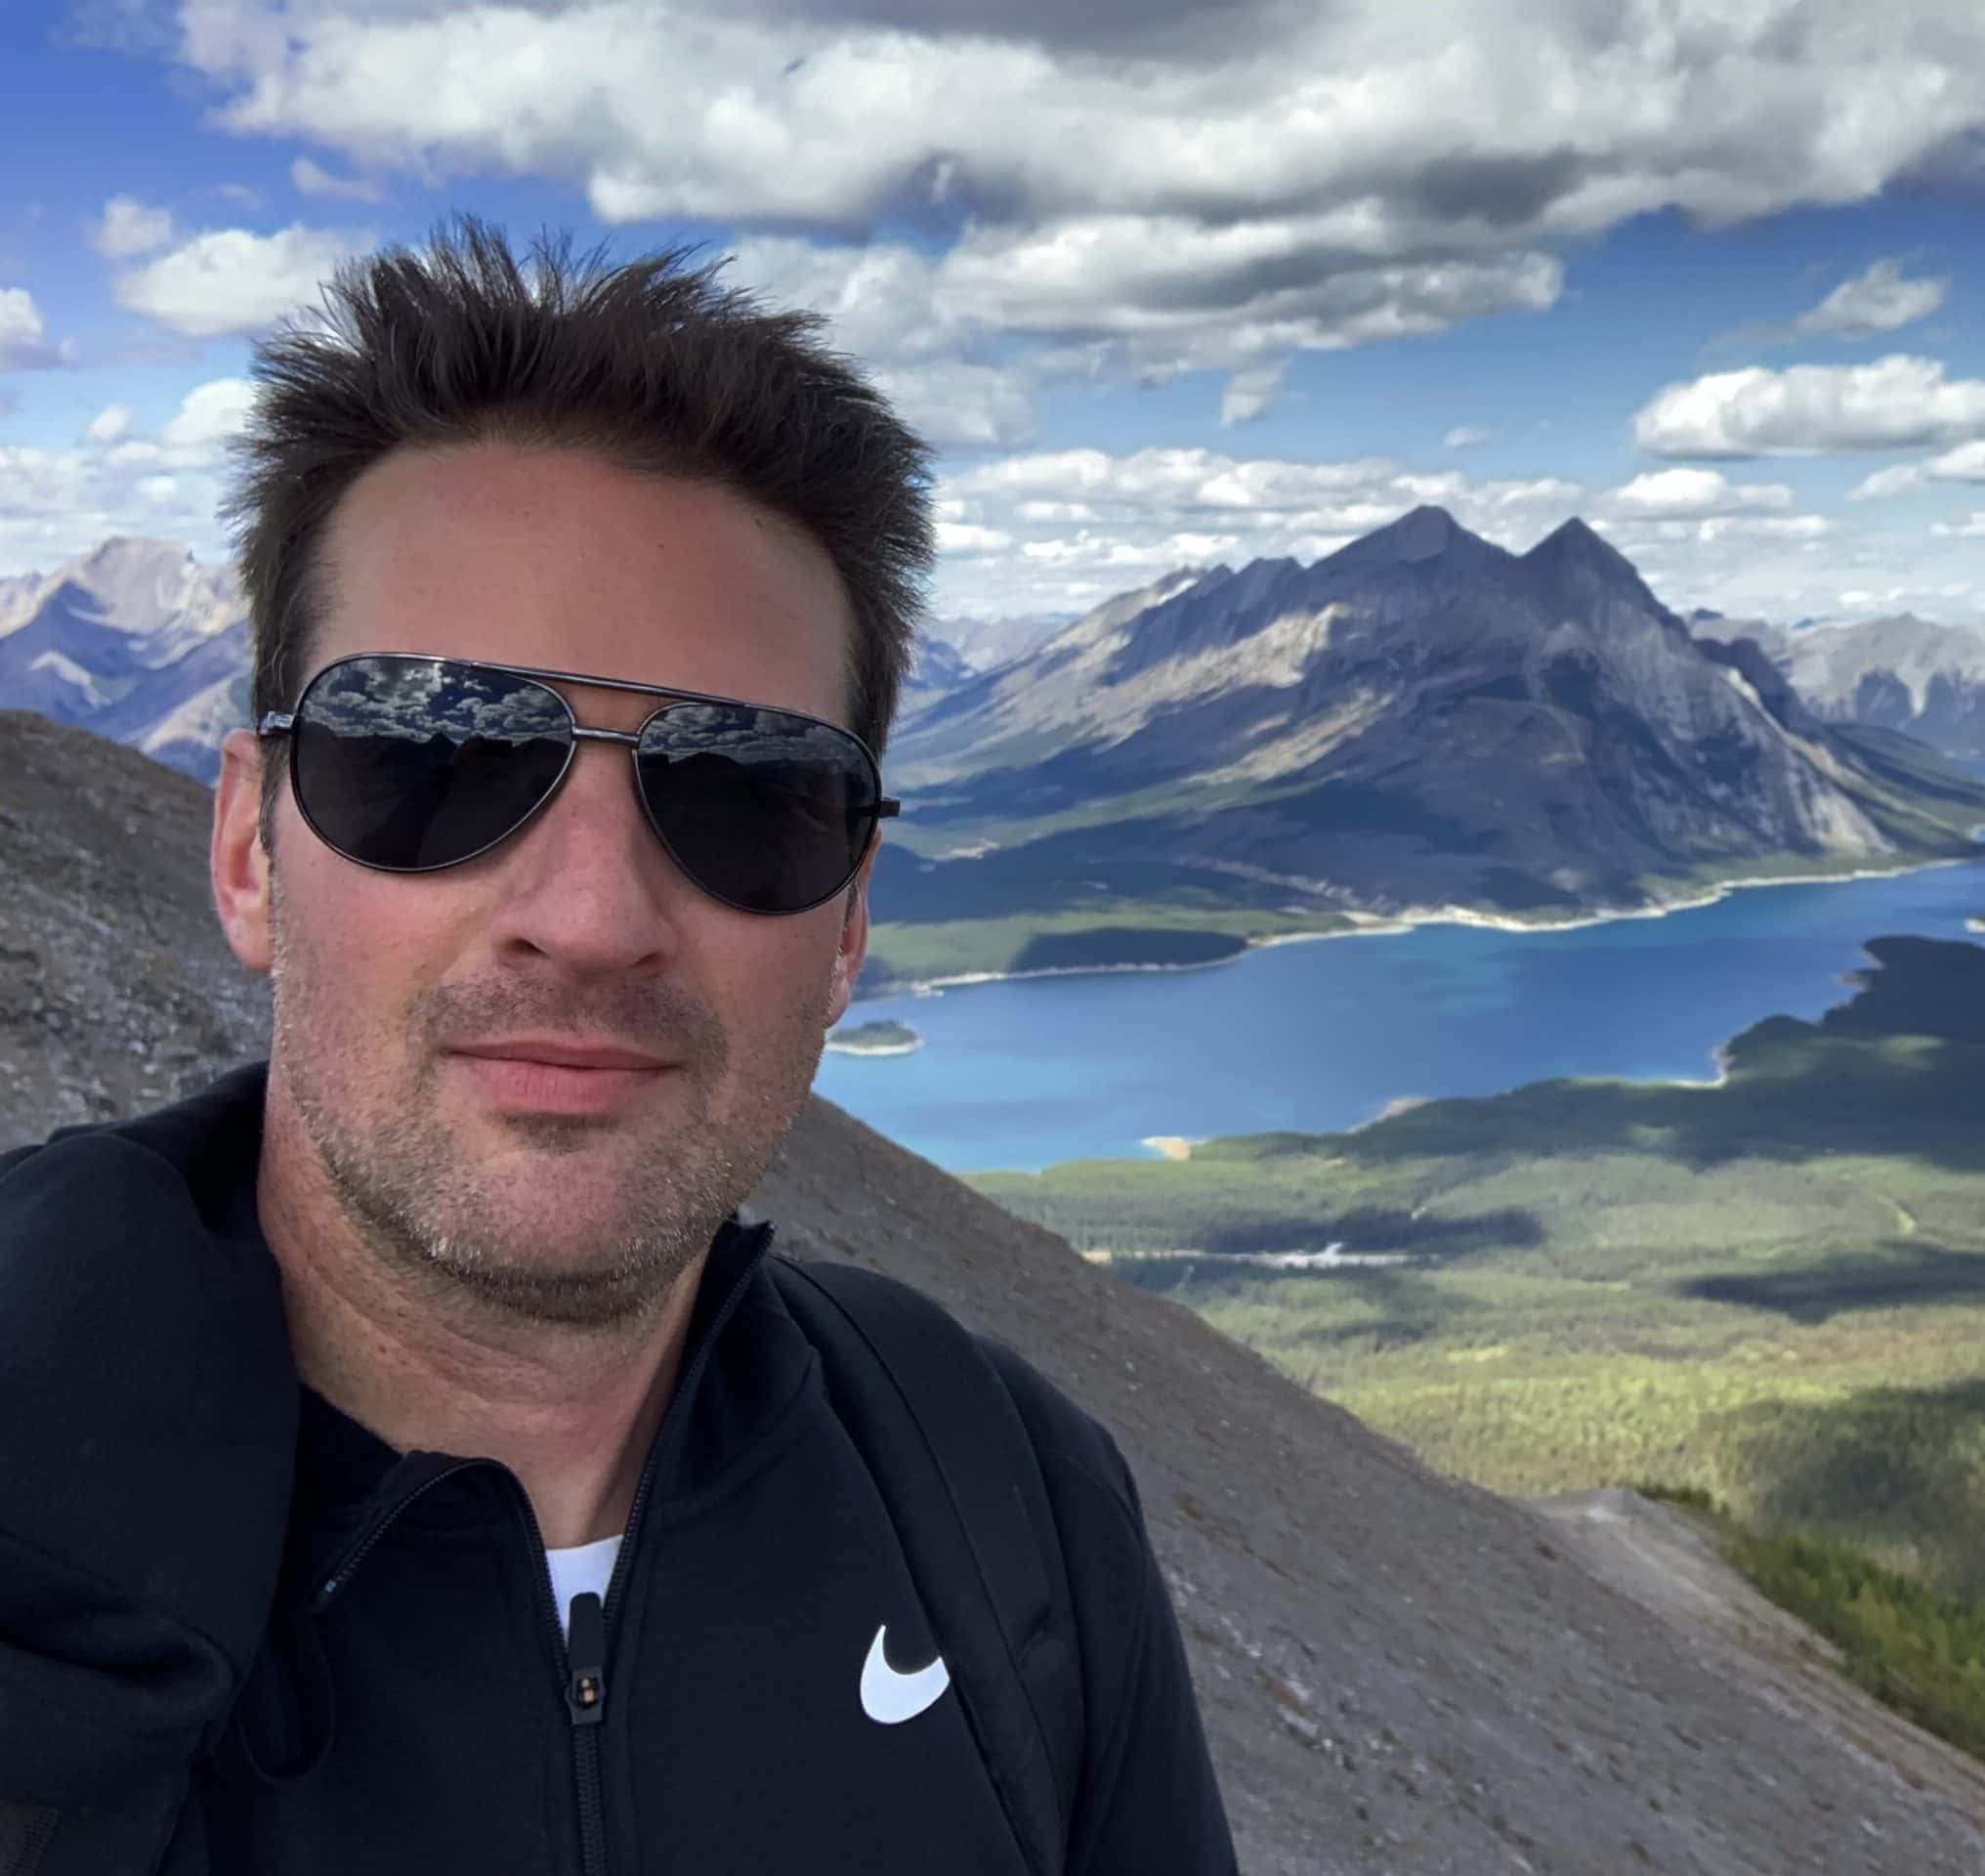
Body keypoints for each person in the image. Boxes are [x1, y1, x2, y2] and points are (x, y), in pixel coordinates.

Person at [0, 220, 1239, 1875]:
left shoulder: (1009, 1501)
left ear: (851, 920)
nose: (591, 916)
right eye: (433, 754)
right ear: (249, 850)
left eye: (746, 794)